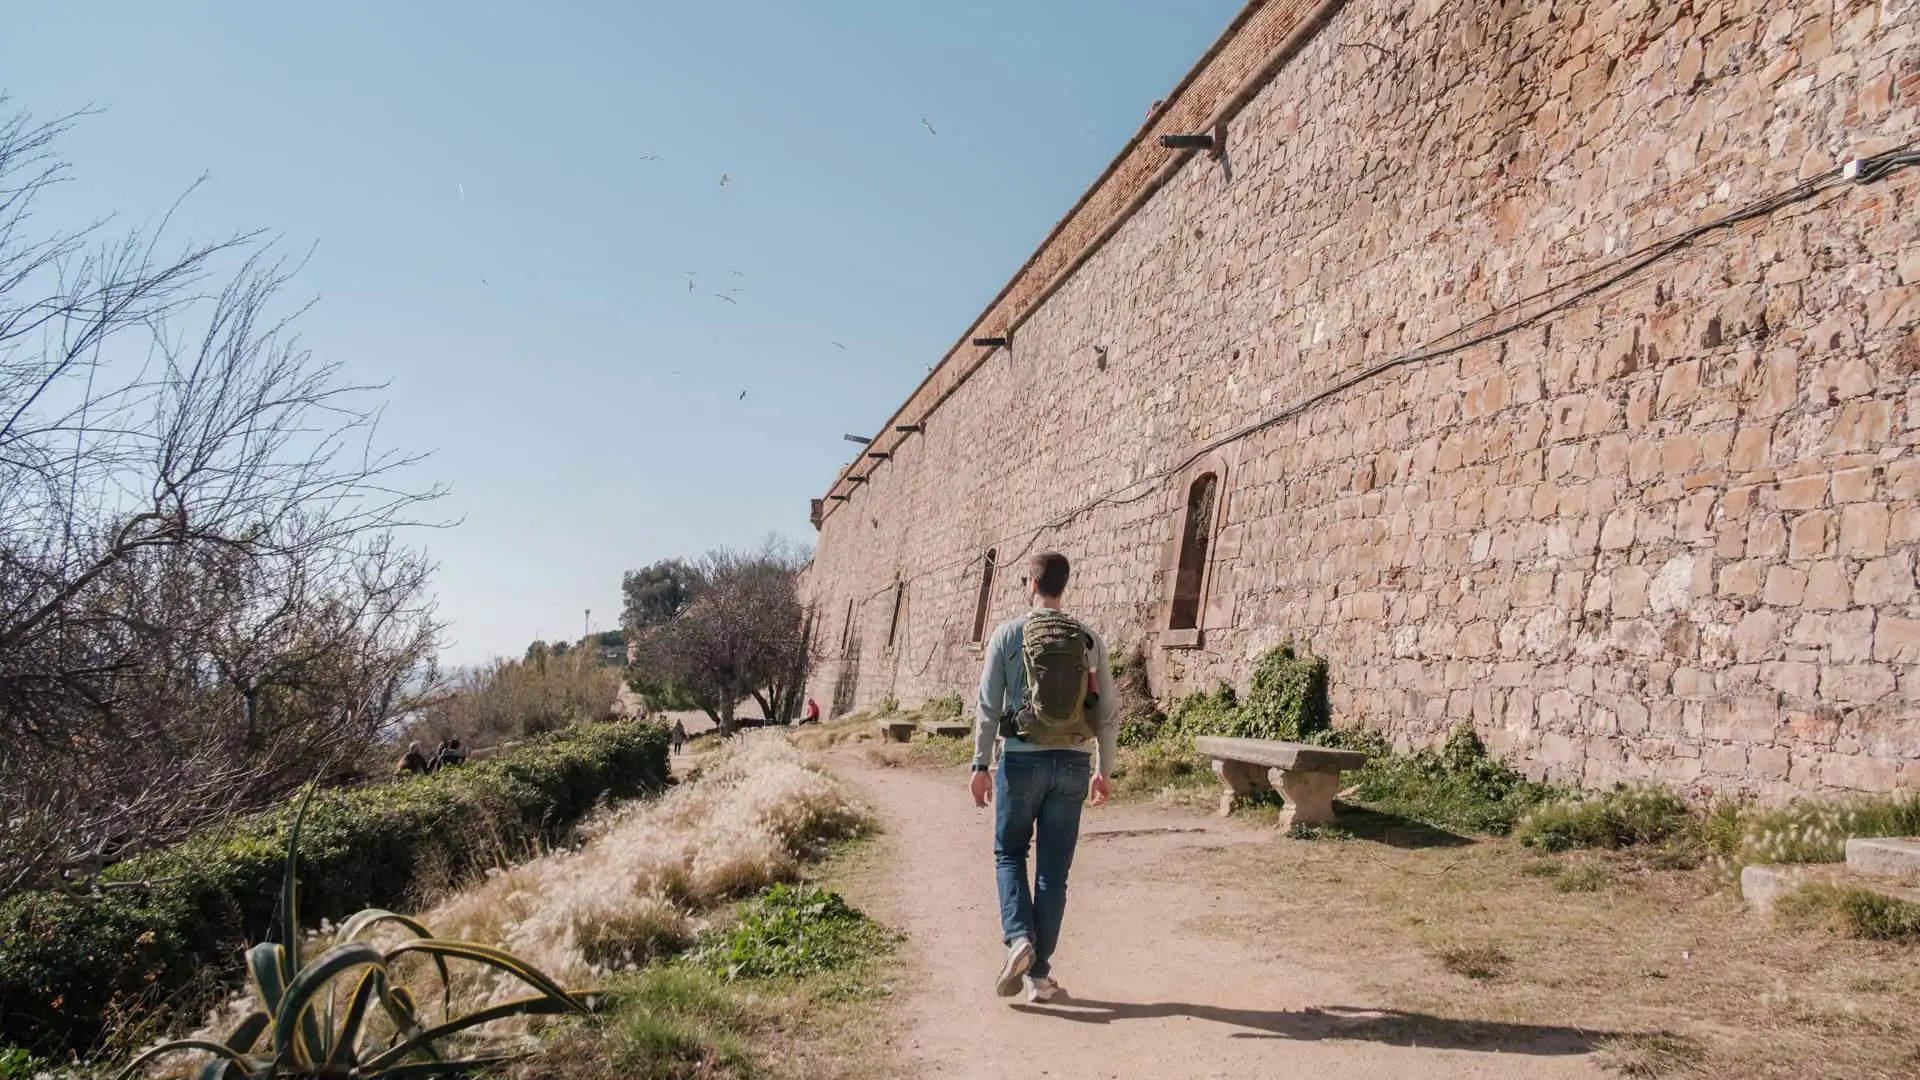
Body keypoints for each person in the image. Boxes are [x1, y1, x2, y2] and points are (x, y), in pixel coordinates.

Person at [970, 551, 1116, 1004]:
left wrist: (980, 765)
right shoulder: (1088, 639)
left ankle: (1019, 939)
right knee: (1054, 873)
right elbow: (1108, 713)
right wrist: (1102, 771)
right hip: (1072, 764)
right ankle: (1039, 978)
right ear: (1063, 586)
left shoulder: (1007, 635)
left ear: (1031, 585)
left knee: (1010, 854)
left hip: (1020, 761)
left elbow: (988, 707)